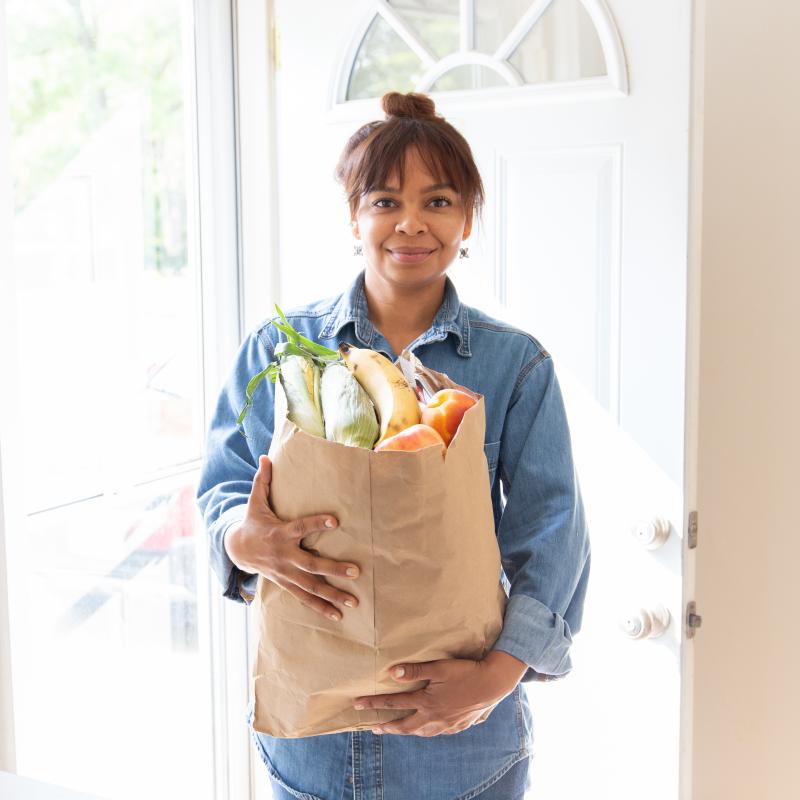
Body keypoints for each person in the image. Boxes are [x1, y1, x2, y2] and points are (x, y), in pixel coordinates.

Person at [196, 91, 591, 800]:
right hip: (311, 734)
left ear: (468, 219)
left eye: (438, 201)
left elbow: (553, 535)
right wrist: (239, 539)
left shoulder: (515, 364)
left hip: (465, 742)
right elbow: (224, 485)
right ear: (354, 216)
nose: (411, 222)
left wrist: (494, 679)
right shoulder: (282, 349)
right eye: (384, 201)